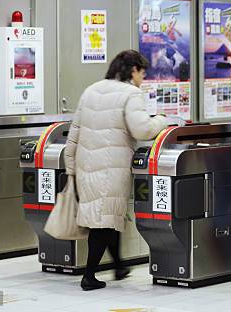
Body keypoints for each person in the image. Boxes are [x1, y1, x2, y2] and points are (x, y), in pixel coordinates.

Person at [64, 50, 172, 291]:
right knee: (104, 220)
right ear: (133, 70)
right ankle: (89, 276)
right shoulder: (131, 93)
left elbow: (74, 133)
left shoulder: (91, 89)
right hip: (110, 167)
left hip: (87, 165)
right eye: (142, 73)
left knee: (109, 216)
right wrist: (162, 119)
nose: (142, 79)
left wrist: (71, 169)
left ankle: (119, 265)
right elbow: (142, 129)